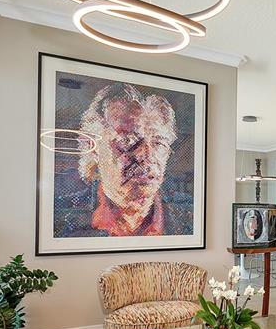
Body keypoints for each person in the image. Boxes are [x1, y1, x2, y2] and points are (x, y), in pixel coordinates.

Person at [54, 82, 192, 237]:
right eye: (128, 141)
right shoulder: (60, 218)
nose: (147, 157)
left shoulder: (190, 215)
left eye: (158, 143)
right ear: (92, 147)